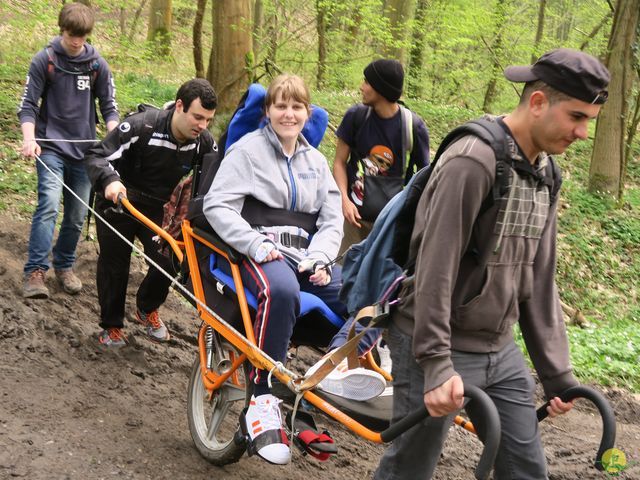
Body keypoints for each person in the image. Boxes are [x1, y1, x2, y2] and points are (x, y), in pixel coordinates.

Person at [374, 48, 610, 479]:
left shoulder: (546, 173)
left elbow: (538, 277)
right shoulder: (473, 160)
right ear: (538, 103)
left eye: (588, 122)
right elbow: (435, 268)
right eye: (577, 117)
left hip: (498, 351)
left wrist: (557, 374)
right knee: (410, 468)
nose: (581, 133)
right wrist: (437, 362)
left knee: (526, 470)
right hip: (434, 343)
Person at [203, 74, 385, 466]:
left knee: (373, 297)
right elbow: (217, 206)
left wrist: (320, 257)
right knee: (281, 290)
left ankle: (336, 367)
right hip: (258, 251)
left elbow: (331, 219)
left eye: (296, 106)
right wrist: (256, 244)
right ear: (268, 111)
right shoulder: (247, 152)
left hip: (306, 258)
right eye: (280, 106)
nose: (289, 114)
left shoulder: (316, 162)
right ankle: (262, 398)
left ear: (308, 112)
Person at [84, 78, 217, 347]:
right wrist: (110, 180)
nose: (202, 126)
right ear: (179, 106)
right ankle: (112, 327)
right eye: (198, 117)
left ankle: (146, 309)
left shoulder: (203, 142)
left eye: (208, 120)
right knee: (115, 264)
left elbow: (213, 179)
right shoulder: (141, 125)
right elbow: (97, 155)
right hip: (119, 202)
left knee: (170, 260)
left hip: (159, 209)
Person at [18, 2, 119, 299]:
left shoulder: (98, 65)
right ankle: (35, 271)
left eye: (82, 36)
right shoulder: (44, 60)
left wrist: (115, 136)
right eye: (71, 34)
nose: (76, 41)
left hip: (85, 152)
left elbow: (109, 108)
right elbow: (28, 107)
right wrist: (29, 138)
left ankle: (64, 265)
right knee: (49, 204)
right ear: (62, 29)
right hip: (49, 147)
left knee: (76, 215)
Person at [333, 58, 430, 256]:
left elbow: (426, 178)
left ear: (381, 89)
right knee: (344, 277)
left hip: (392, 224)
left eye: (367, 82)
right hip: (354, 221)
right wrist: (344, 200)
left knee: (381, 281)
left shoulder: (414, 127)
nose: (362, 87)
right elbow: (339, 162)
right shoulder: (356, 117)